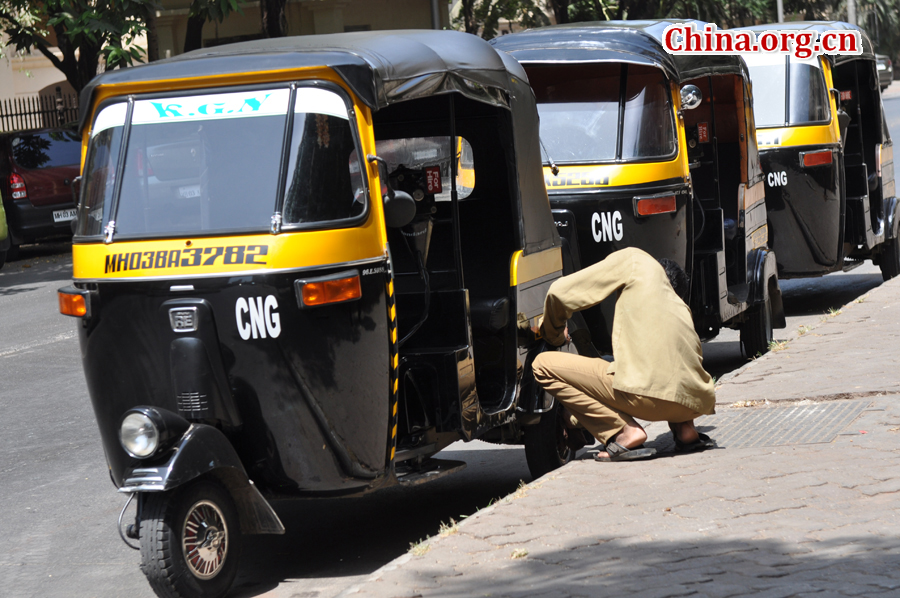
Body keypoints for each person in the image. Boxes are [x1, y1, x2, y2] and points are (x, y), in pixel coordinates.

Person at [533, 247, 716, 461]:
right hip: (694, 403)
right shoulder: (681, 307)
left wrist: (553, 333)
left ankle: (623, 431)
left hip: (645, 397)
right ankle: (686, 431)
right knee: (670, 369)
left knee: (542, 365)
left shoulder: (635, 261)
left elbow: (559, 293)